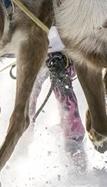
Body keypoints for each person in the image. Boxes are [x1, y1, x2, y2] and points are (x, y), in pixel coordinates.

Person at [26, 27, 86, 168]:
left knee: (63, 89)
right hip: (39, 50)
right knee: (29, 91)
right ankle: (22, 138)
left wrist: (68, 59)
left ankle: (74, 145)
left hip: (64, 52)